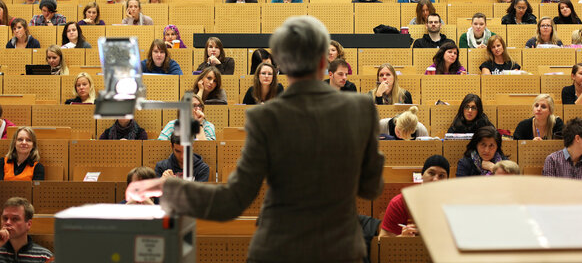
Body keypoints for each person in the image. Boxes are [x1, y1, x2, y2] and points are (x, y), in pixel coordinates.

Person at [126, 15, 384, 262]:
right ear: (322, 62)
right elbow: (371, 188)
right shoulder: (361, 109)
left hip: (277, 247)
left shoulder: (264, 117)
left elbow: (233, 201)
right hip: (338, 247)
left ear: (283, 64)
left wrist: (165, 187)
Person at [379, 155, 448, 237]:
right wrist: (401, 238)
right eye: (431, 173)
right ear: (422, 175)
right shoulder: (400, 202)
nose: (435, 179)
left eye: (441, 176)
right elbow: (382, 240)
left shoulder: (454, 204)